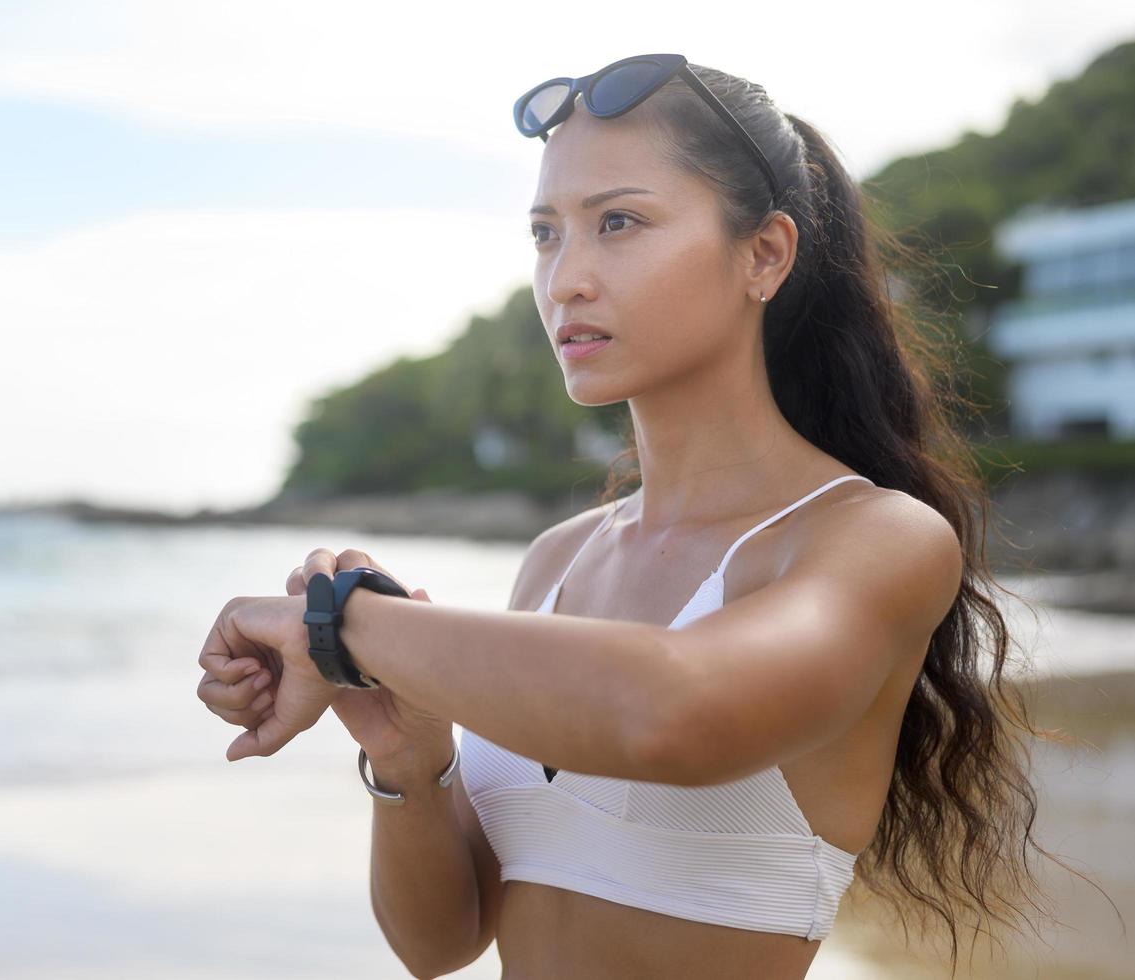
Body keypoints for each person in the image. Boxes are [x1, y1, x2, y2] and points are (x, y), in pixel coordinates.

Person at [196, 56, 1085, 979]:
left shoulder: (874, 539)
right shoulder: (555, 559)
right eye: (546, 234)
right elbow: (440, 943)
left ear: (764, 254)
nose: (566, 279)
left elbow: (674, 714)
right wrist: (412, 762)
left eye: (618, 222)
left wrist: (342, 628)